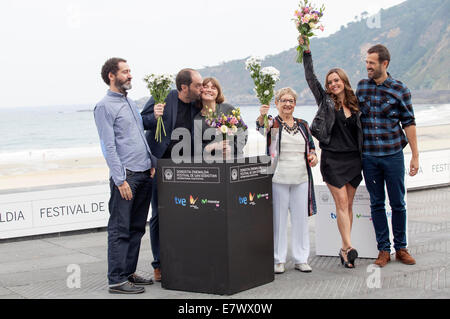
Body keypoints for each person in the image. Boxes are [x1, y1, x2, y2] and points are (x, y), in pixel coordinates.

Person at [94, 57, 157, 294]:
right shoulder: (104, 106)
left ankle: (128, 273)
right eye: (125, 72)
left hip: (144, 173)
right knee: (120, 229)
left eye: (130, 71)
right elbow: (108, 146)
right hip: (127, 177)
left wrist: (151, 162)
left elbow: (139, 136)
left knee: (137, 228)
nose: (130, 75)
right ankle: (116, 280)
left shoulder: (130, 103)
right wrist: (120, 179)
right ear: (112, 75)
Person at [300, 38, 363, 268]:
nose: (333, 84)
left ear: (344, 81)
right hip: (333, 160)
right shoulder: (325, 100)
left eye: (336, 80)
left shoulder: (356, 103)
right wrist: (306, 51)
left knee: (348, 206)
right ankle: (349, 246)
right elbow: (310, 78)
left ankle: (345, 250)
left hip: (354, 160)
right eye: (330, 82)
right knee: (341, 202)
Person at [356, 44, 419, 267]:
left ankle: (401, 248)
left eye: (371, 63)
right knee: (376, 204)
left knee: (398, 203)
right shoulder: (362, 87)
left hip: (393, 155)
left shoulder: (400, 89)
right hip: (369, 158)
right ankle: (383, 250)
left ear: (385, 64)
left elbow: (409, 123)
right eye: (366, 62)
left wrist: (415, 156)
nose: (367, 67)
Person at [141, 68, 203, 282]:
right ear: (184, 87)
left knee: (188, 211)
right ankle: (159, 264)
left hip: (187, 166)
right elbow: (142, 121)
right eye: (197, 85)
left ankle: (186, 258)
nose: (201, 88)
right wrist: (155, 115)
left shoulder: (199, 103)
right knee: (159, 214)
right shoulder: (163, 97)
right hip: (160, 164)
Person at [257, 87, 318, 274]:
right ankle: (278, 259)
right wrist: (262, 116)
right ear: (276, 103)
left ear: (295, 104)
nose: (287, 104)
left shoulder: (303, 124)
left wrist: (314, 156)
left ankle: (301, 258)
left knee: (300, 220)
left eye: (291, 100)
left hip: (301, 178)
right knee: (279, 220)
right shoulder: (272, 124)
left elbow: (312, 148)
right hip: (278, 178)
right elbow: (260, 131)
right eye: (283, 100)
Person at [194, 77, 248, 159]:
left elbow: (243, 131)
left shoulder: (228, 109)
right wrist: (213, 146)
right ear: (200, 91)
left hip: (234, 160)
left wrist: (233, 149)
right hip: (212, 164)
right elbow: (196, 148)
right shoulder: (197, 119)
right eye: (205, 87)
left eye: (213, 88)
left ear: (218, 93)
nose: (209, 90)